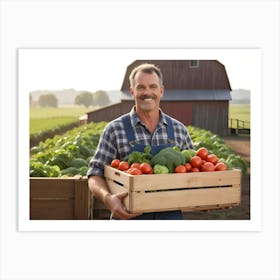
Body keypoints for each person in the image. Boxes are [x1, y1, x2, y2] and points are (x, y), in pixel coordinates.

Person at [87, 63, 194, 220]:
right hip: (128, 216)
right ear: (132, 92)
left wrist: (203, 197)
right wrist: (109, 200)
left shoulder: (179, 130)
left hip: (171, 216)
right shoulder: (115, 129)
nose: (147, 92)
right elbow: (94, 174)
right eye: (141, 87)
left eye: (152, 86)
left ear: (161, 91)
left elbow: (195, 172)